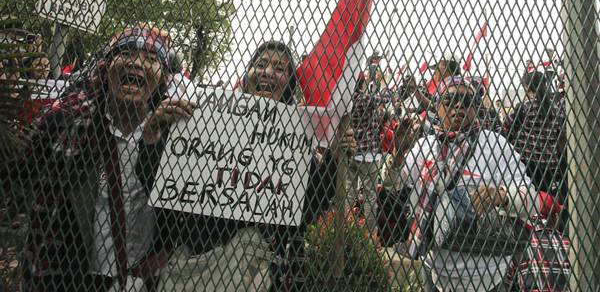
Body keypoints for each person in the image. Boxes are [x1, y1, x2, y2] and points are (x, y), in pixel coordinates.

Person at [158, 41, 356, 292]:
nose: (268, 73)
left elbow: (311, 205)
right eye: (260, 64)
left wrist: (333, 158)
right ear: (247, 74)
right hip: (204, 260)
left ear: (290, 82)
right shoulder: (212, 121)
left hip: (264, 273)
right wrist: (157, 134)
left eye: (280, 68)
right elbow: (173, 191)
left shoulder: (294, 135)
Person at [18, 26, 194, 292]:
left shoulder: (177, 136)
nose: (136, 63)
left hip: (141, 280)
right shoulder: (65, 122)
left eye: (151, 59)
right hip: (66, 276)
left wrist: (151, 142)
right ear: (106, 66)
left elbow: (183, 212)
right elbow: (22, 181)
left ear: (161, 80)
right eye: (126, 54)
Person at [393, 76, 541, 291]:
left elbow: (532, 200)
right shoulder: (424, 147)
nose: (459, 106)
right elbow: (394, 185)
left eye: (467, 100)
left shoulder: (495, 145)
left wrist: (502, 195)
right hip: (435, 273)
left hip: (487, 276)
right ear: (437, 107)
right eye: (450, 99)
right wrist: (397, 156)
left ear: (476, 107)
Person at [503, 71, 566, 202]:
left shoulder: (525, 107)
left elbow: (507, 126)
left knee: (527, 200)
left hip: (527, 163)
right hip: (549, 166)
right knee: (545, 201)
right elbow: (561, 134)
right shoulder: (556, 108)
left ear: (527, 87)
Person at [348, 72, 389, 233]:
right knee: (370, 195)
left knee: (349, 192)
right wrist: (383, 83)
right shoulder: (363, 99)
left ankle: (346, 226)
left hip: (351, 151)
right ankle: (369, 233)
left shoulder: (346, 100)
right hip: (368, 154)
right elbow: (385, 98)